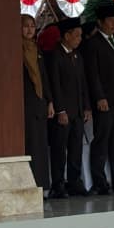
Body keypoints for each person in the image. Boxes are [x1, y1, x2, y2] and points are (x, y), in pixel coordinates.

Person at [81, 3, 114, 194]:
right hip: (105, 101)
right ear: (100, 22)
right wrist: (99, 97)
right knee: (102, 141)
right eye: (110, 21)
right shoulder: (93, 44)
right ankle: (100, 182)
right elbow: (92, 74)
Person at [44, 17, 89, 197]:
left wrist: (86, 107)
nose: (79, 39)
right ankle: (58, 184)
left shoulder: (77, 55)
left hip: (77, 111)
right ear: (67, 35)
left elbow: (83, 83)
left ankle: (74, 181)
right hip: (63, 112)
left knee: (76, 148)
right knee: (59, 149)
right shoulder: (55, 55)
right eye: (77, 35)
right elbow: (54, 84)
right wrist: (60, 110)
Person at [20, 14, 52, 193]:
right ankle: (30, 186)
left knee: (40, 146)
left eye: (32, 26)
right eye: (25, 26)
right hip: (25, 104)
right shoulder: (16, 49)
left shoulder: (36, 49)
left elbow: (44, 77)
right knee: (30, 145)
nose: (29, 29)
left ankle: (41, 186)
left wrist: (50, 101)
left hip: (39, 103)